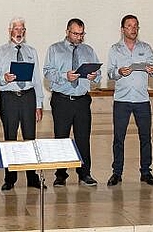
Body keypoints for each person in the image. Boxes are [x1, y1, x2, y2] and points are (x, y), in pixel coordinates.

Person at [43, 18, 101, 187]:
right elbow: (47, 72)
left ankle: (84, 173)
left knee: (83, 138)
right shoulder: (55, 49)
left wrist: (94, 76)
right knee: (61, 138)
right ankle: (60, 174)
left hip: (82, 100)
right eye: (75, 33)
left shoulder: (88, 50)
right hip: (62, 100)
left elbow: (98, 74)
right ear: (67, 31)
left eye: (82, 34)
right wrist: (64, 76)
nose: (79, 37)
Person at [0, 17, 46, 190]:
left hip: (28, 97)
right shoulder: (1, 52)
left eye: (22, 29)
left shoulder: (31, 51)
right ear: (10, 31)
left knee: (30, 138)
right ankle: (10, 177)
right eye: (16, 29)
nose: (19, 32)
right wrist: (3, 78)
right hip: (9, 97)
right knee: (10, 138)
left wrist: (39, 103)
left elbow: (37, 78)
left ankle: (32, 177)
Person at [106, 15, 153, 186]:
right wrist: (119, 72)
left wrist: (152, 70)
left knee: (145, 137)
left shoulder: (146, 47)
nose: (133, 29)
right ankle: (117, 172)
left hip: (142, 100)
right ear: (122, 29)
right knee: (118, 138)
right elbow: (109, 73)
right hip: (121, 100)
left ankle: (146, 172)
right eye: (129, 26)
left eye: (136, 26)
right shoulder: (115, 49)